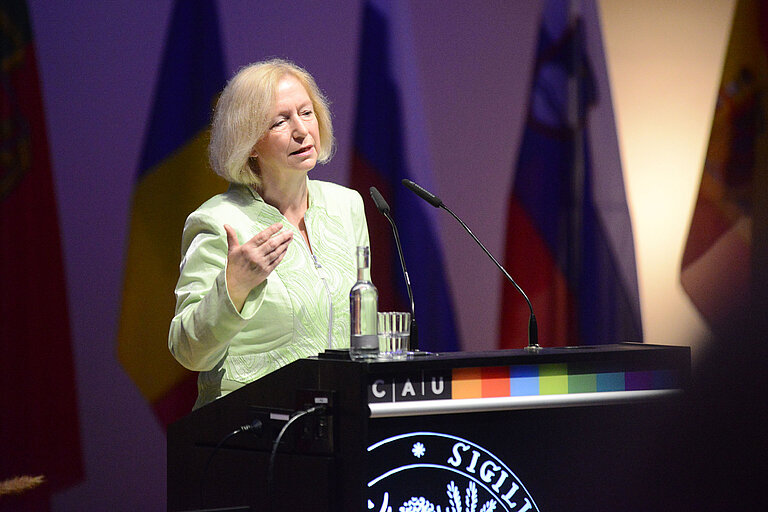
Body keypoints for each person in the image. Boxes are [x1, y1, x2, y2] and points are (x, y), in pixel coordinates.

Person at [168, 59, 370, 409]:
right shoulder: (218, 221)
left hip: (338, 420)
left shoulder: (346, 205)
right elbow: (188, 350)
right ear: (249, 143)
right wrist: (234, 287)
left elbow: (359, 323)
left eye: (306, 113)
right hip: (249, 429)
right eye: (280, 121)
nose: (301, 130)